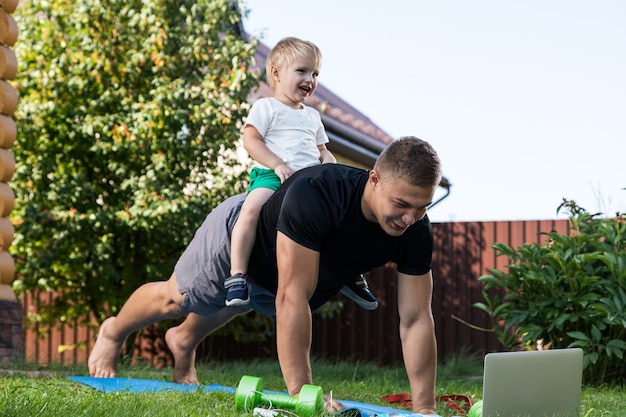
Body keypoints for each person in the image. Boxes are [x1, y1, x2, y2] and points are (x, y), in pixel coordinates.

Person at [88, 136, 442, 415]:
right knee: (177, 298)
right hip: (237, 245)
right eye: (401, 204)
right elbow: (292, 298)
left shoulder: (414, 230)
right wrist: (304, 396)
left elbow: (415, 319)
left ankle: (183, 341)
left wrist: (425, 408)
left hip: (276, 279)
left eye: (421, 207)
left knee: (239, 305)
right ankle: (113, 331)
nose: (409, 218)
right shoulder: (318, 194)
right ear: (375, 179)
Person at [225, 36, 378, 311]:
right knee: (250, 211)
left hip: (309, 183)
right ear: (276, 73)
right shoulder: (266, 107)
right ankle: (237, 275)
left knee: (342, 220)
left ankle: (351, 274)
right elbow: (251, 140)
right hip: (273, 177)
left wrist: (329, 167)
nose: (310, 79)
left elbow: (323, 151)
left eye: (315, 73)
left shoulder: (312, 116)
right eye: (302, 71)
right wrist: (277, 163)